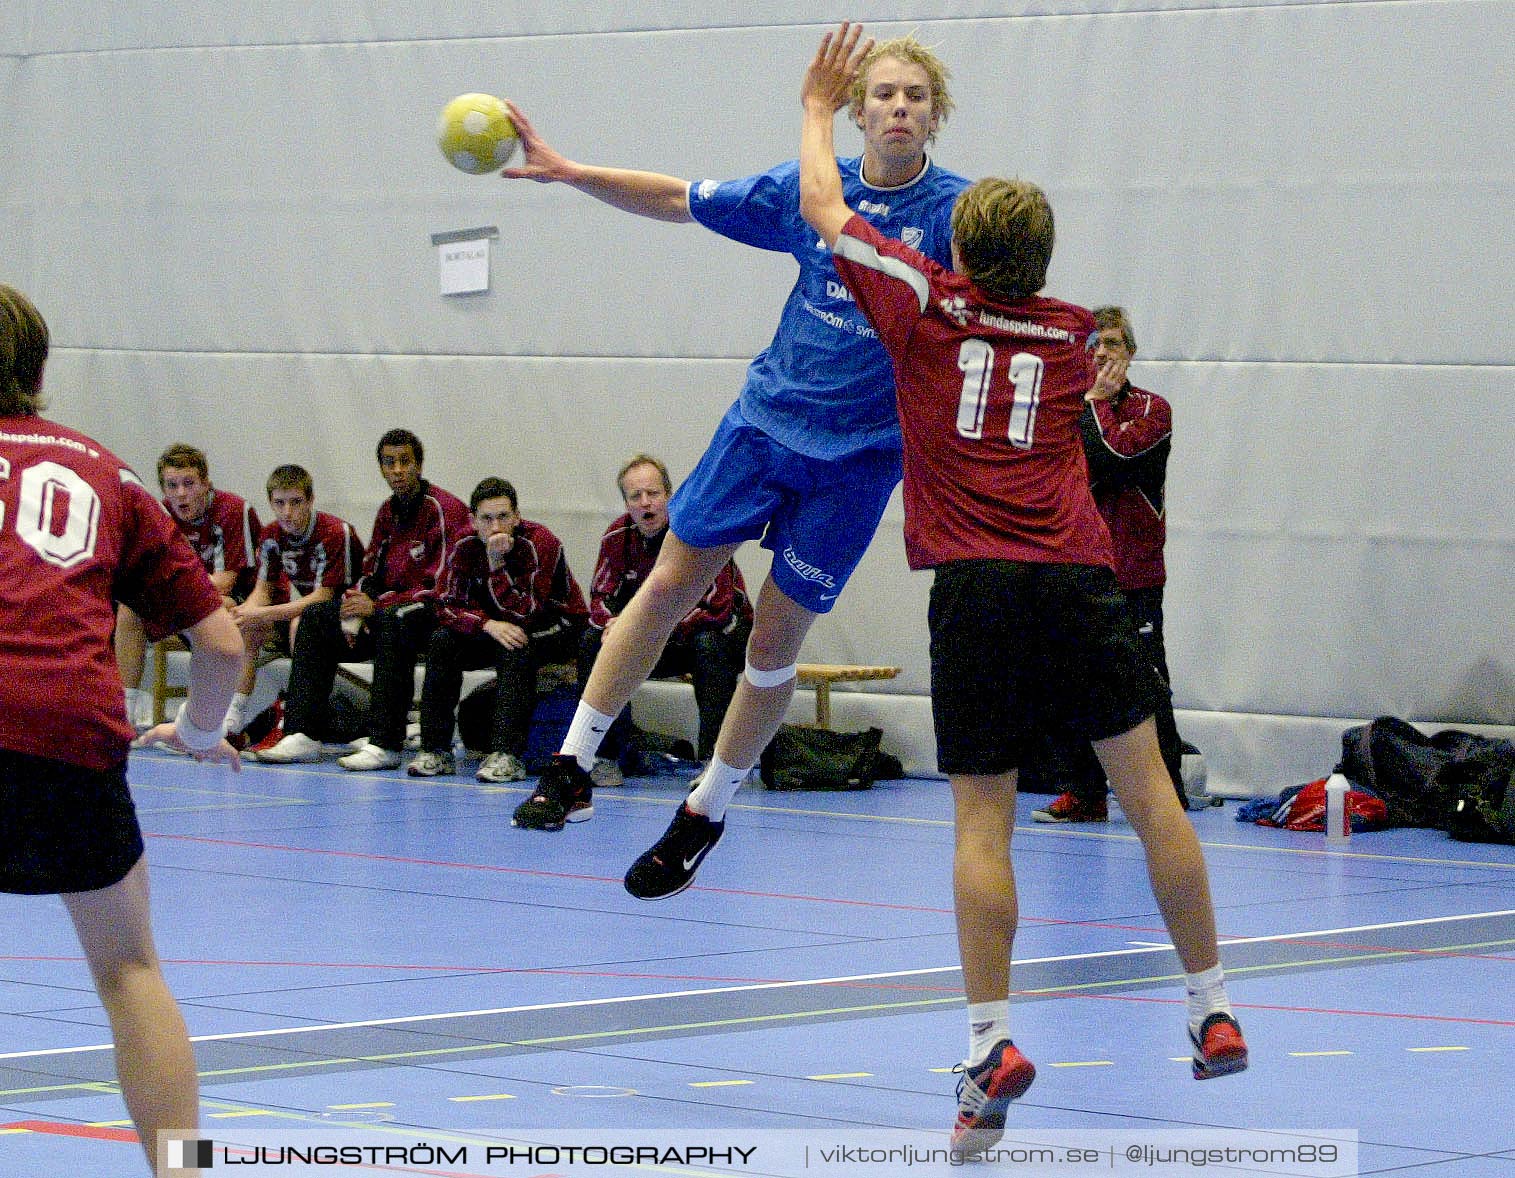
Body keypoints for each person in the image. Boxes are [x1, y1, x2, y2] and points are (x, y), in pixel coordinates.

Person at [796, 25, 1247, 1154]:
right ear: (1046, 255)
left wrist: (817, 111)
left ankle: (990, 1037)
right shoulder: (1072, 333)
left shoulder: (926, 305)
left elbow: (825, 211)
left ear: (959, 241)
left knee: (982, 815)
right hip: (1082, 580)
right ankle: (1212, 1003)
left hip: (980, 588)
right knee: (1151, 796)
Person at [498, 27, 969, 894]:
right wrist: (571, 172)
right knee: (670, 583)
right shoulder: (805, 190)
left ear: (935, 117)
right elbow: (681, 198)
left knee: (772, 637)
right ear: (858, 111)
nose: (897, 107)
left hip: (857, 463)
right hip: (762, 425)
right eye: (883, 94)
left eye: (914, 97)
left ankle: (705, 811)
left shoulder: (956, 215)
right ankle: (571, 765)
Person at [1, 284, 244, 1176]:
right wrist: (197, 727)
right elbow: (219, 640)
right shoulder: (103, 473)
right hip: (64, 729)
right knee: (130, 972)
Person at [1029, 306, 1193, 821]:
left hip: (1133, 574)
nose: (1101, 353)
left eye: (1113, 345)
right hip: (1071, 567)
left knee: (1146, 682)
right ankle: (1084, 792)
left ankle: (1169, 797)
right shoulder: (1057, 410)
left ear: (1131, 353)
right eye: (1092, 344)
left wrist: (1094, 404)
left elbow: (1112, 461)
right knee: (1065, 682)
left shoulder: (1154, 410)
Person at [254, 430, 470, 767]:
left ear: (419, 464)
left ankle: (386, 742)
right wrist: (357, 607)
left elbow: (441, 584)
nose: (397, 469)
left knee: (393, 621)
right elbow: (371, 568)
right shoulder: (387, 510)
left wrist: (378, 606)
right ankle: (302, 733)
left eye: (405, 462)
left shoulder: (443, 508)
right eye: (389, 463)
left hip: (437, 611)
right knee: (316, 618)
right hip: (386, 608)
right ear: (381, 468)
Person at [577, 454, 753, 786]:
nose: (645, 503)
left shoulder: (696, 532)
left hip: (716, 633)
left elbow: (717, 607)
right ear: (627, 503)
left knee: (709, 645)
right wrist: (615, 625)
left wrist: (647, 627)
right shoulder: (616, 537)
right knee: (591, 640)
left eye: (653, 494)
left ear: (669, 495)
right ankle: (603, 756)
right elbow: (600, 599)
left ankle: (715, 763)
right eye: (635, 496)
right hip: (652, 639)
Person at [410, 478, 588, 789]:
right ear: (473, 519)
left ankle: (507, 754)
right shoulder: (464, 544)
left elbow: (526, 612)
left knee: (516, 643)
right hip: (496, 625)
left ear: (517, 517)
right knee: (442, 641)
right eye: (487, 519)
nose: (496, 527)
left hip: (557, 624)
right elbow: (446, 605)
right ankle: (436, 749)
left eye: (503, 517)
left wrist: (495, 566)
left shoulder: (541, 543)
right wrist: (484, 624)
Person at [115, 443, 262, 735]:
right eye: (172, 485)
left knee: (224, 606)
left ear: (206, 483)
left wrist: (169, 587)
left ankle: (223, 715)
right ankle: (124, 711)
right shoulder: (159, 514)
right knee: (130, 607)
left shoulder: (234, 510)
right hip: (185, 601)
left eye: (189, 484)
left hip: (237, 603)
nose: (181, 493)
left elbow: (226, 580)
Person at [229, 464, 365, 733]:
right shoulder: (271, 535)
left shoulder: (336, 532)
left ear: (311, 500)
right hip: (311, 614)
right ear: (270, 502)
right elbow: (263, 591)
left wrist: (262, 613)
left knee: (301, 624)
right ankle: (233, 713)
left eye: (295, 502)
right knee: (245, 624)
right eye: (279, 503)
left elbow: (323, 598)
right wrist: (244, 613)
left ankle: (298, 718)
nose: (287, 512)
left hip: (353, 614)